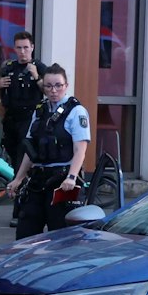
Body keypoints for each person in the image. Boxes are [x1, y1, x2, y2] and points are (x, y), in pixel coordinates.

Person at [5, 64, 90, 238]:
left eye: (58, 85)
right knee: (25, 232)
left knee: (59, 235)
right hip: (38, 179)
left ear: (66, 85)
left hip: (62, 181)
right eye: (49, 86)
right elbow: (31, 149)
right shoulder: (40, 111)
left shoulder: (76, 111)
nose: (53, 90)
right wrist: (19, 178)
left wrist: (72, 177)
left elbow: (80, 149)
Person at [0, 29, 44, 164]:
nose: (22, 51)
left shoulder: (38, 66)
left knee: (24, 153)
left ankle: (21, 182)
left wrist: (36, 76)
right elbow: (1, 93)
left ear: (32, 47)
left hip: (29, 118)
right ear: (14, 49)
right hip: (11, 118)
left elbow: (48, 90)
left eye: (26, 47)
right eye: (19, 48)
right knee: (12, 152)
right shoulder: (9, 67)